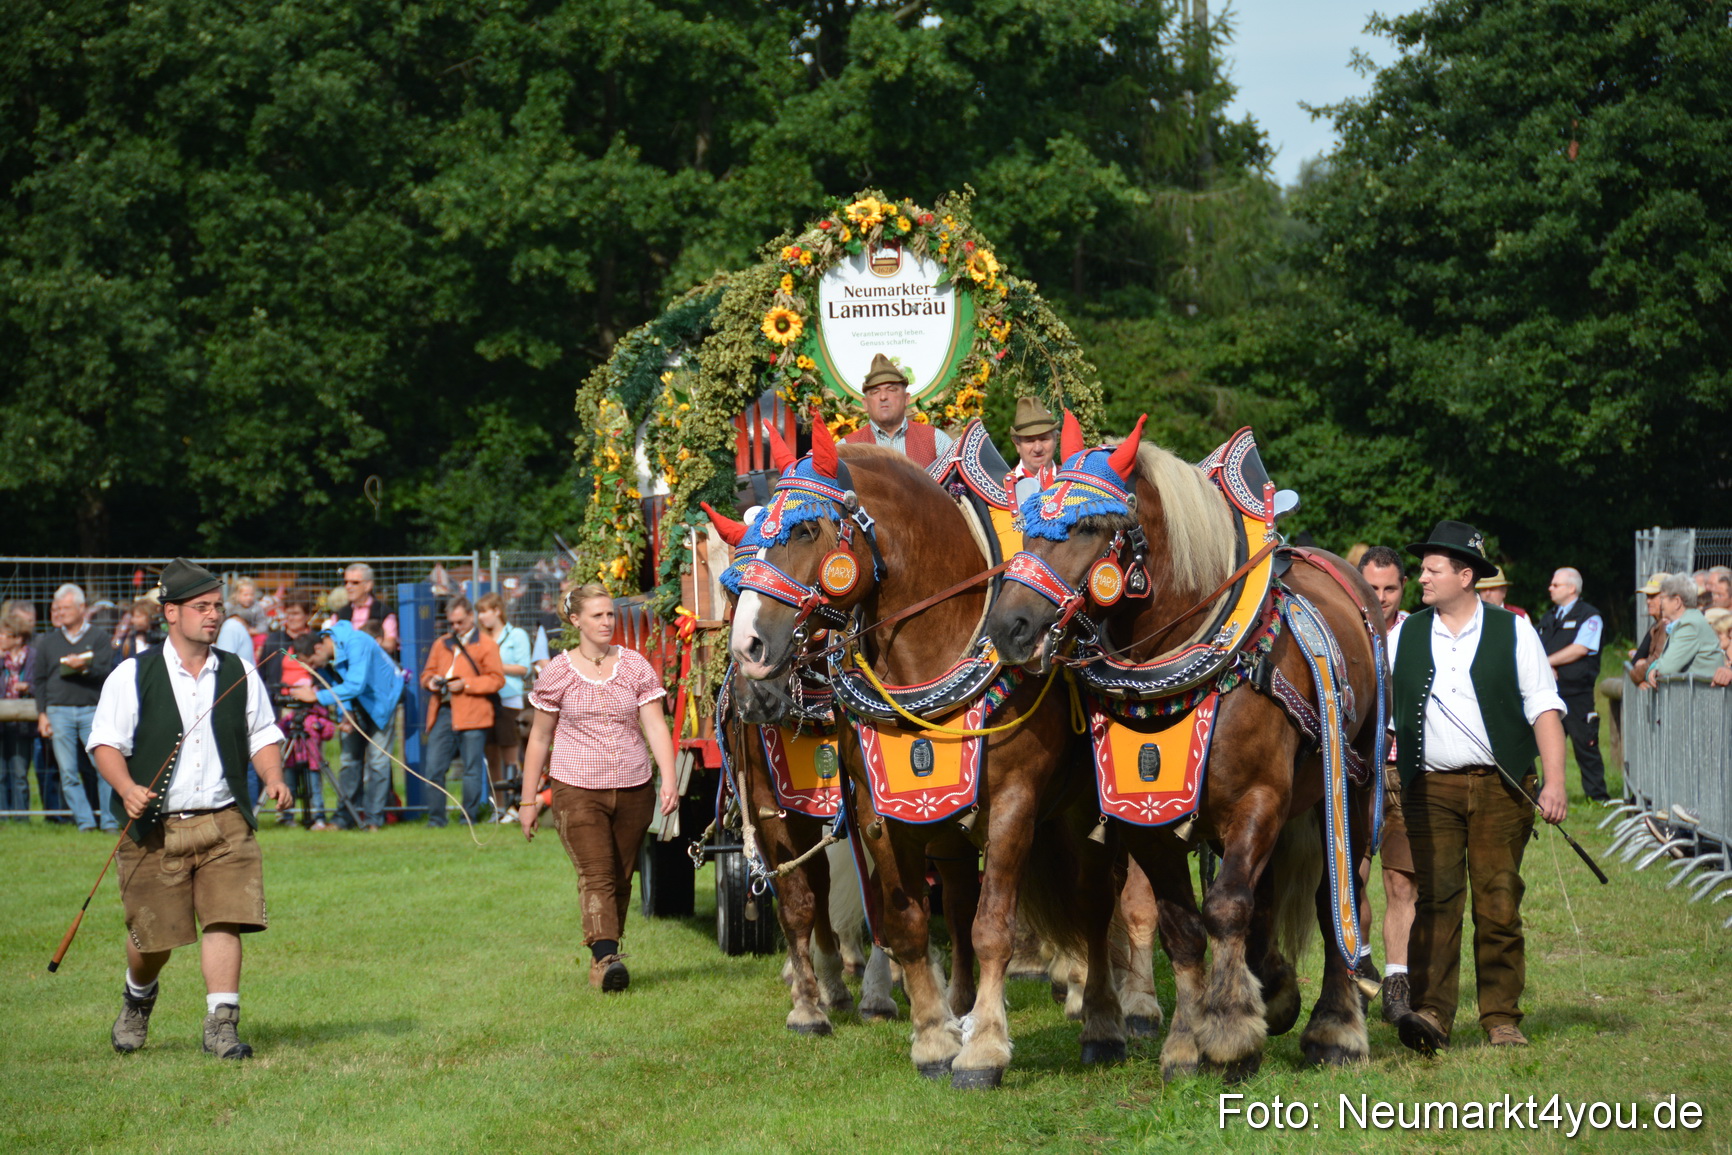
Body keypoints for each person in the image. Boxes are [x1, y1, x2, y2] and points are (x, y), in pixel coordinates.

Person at [87, 558, 290, 1060]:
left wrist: (273, 776)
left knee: (227, 918)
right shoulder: (132, 674)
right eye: (202, 607)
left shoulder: (239, 670)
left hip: (225, 821)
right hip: (153, 828)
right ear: (170, 613)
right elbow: (104, 744)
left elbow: (263, 732)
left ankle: (222, 1025)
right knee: (154, 938)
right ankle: (138, 996)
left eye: (217, 607)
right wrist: (128, 787)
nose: (214, 616)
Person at [1388, 521, 1568, 1055]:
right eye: (1422, 569)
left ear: (1465, 576)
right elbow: (1385, 716)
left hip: (1502, 787)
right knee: (1437, 901)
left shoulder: (1514, 631)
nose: (1421, 577)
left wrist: (1555, 781)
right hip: (1429, 788)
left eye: (1432, 569)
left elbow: (1544, 709)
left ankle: (1501, 1017)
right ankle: (1433, 1014)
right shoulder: (1406, 634)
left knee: (1498, 902)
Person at [518, 584, 679, 992]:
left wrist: (670, 777)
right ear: (576, 622)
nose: (607, 622)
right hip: (576, 788)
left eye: (610, 614)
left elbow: (655, 725)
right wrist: (527, 800)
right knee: (597, 874)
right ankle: (607, 959)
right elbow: (539, 738)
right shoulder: (557, 671)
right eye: (597, 616)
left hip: (634, 786)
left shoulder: (635, 666)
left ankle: (603, 959)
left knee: (622, 877)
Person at [1354, 546, 1416, 1021]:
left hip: (1404, 772)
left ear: (1403, 588)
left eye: (1390, 588)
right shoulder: (1340, 628)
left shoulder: (1418, 633)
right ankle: (1360, 965)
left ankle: (1398, 979)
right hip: (1355, 772)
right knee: (1352, 880)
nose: (1381, 597)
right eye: (1372, 588)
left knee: (1401, 879)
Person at [289, 617, 404, 831]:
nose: (313, 669)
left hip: (382, 702)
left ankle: (373, 820)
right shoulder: (328, 654)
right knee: (349, 761)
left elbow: (355, 684)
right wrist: (347, 712)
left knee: (377, 762)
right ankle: (345, 817)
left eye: (312, 663)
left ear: (318, 647)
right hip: (356, 702)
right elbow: (338, 683)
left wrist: (316, 697)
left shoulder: (356, 642)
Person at [34, 583, 116, 831]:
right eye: (58, 608)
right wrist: (42, 714)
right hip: (58, 712)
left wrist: (84, 667)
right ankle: (85, 822)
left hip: (92, 711)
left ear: (82, 608)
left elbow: (106, 673)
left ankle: (110, 821)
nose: (61, 612)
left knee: (104, 768)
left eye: (66, 608)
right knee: (68, 772)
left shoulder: (99, 638)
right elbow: (39, 680)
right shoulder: (48, 642)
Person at [418, 596, 503, 827]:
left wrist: (465, 684)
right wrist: (430, 682)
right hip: (443, 711)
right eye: (452, 623)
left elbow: (496, 680)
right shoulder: (441, 643)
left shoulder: (486, 644)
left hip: (474, 713)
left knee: (471, 769)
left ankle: (469, 818)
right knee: (434, 767)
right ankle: (436, 819)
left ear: (470, 617)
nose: (455, 627)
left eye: (460, 622)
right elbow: (426, 674)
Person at [1535, 567, 1609, 804]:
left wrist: (1547, 662)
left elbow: (1581, 648)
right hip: (1550, 693)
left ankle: (1597, 797)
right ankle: (1544, 794)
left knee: (1585, 745)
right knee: (1546, 747)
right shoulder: (1549, 618)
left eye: (1555, 585)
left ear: (1571, 588)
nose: (1550, 588)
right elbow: (1537, 646)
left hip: (1577, 694)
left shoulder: (1589, 616)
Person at [841, 353, 954, 467]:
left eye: (891, 390)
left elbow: (957, 482)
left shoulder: (935, 440)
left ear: (906, 399)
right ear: (865, 403)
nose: (883, 397)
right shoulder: (847, 448)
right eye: (875, 392)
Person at [476, 592, 530, 823]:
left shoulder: (516, 635)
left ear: (497, 610)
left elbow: (523, 668)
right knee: (491, 755)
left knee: (511, 754)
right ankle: (497, 807)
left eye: (485, 611)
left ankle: (515, 805)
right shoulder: (479, 638)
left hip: (509, 699)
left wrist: (496, 666)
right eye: (479, 612)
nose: (481, 617)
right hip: (486, 699)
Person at [1642, 573, 1727, 685]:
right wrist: (1653, 668)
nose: (1660, 603)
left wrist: (1654, 669)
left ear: (1677, 602)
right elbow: (1665, 660)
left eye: (1662, 598)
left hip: (1702, 698)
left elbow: (1666, 668)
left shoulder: (1690, 625)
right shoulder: (1687, 621)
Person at [0, 611, 36, 820]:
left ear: (17, 638)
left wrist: (28, 687)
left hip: (23, 721)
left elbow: (39, 682)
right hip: (1, 722)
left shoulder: (32, 656)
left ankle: (22, 817)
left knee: (20, 772)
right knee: (1, 773)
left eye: (3, 634)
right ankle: (3, 816)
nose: (0, 638)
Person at [1005, 397, 1061, 506]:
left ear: (1056, 439)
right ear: (1017, 444)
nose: (1037, 448)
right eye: (1029, 441)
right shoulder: (1002, 487)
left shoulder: (1071, 480)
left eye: (1044, 439)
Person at [335, 563, 399, 656]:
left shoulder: (385, 613)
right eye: (346, 582)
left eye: (355, 583)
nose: (348, 587)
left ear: (368, 585)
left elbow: (390, 645)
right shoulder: (339, 614)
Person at [1627, 573, 1671, 685]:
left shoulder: (1667, 625)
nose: (1648, 601)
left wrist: (1635, 675)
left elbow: (1656, 659)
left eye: (1653, 596)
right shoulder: (1656, 625)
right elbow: (1636, 660)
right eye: (1647, 596)